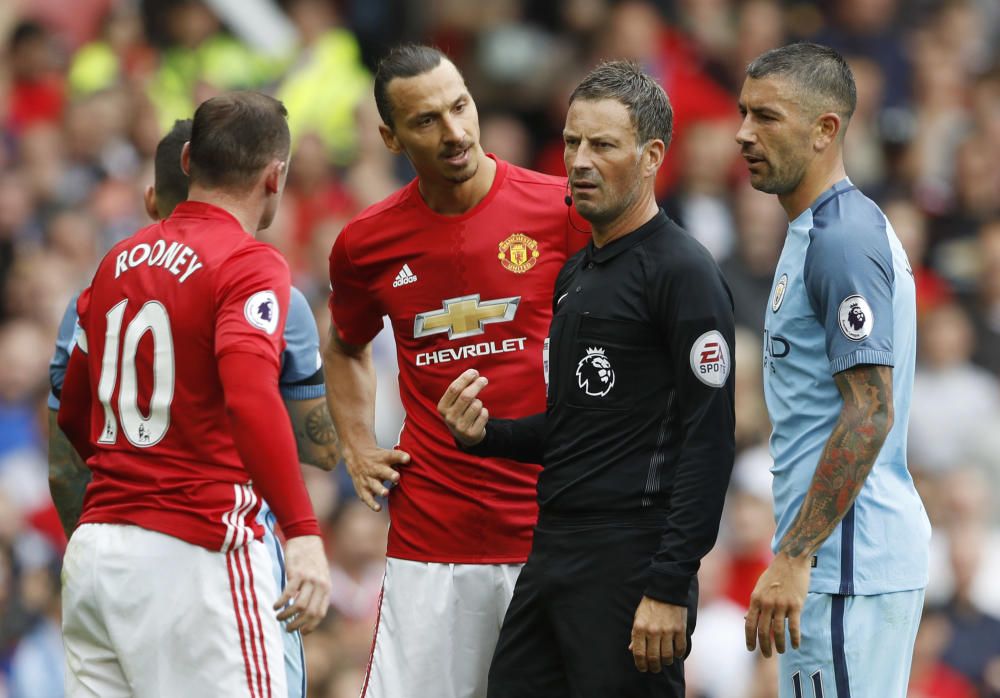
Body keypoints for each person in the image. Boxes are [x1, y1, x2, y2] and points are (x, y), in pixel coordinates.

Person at [440, 60, 736, 698]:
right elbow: (580, 427)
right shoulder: (578, 273)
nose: (579, 160)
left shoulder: (682, 272)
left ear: (652, 155)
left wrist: (667, 583)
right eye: (573, 142)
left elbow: (709, 441)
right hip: (553, 552)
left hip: (632, 561)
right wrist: (487, 436)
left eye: (602, 145)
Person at [324, 44, 588, 698]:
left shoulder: (561, 210)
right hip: (431, 536)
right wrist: (357, 444)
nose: (454, 133)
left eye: (461, 106)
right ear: (390, 137)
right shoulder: (365, 244)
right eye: (426, 122)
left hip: (548, 527)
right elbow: (347, 344)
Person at [47, 117, 339, 698]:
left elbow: (74, 414)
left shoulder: (114, 262)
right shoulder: (252, 264)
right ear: (275, 177)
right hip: (200, 547)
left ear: (186, 163)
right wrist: (304, 532)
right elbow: (252, 398)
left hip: (98, 552)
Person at [736, 42, 930, 696]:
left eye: (767, 117)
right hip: (839, 561)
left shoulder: (840, 241)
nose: (743, 134)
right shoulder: (820, 231)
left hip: (846, 564)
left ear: (826, 130)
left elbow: (870, 410)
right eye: (743, 114)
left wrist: (794, 556)